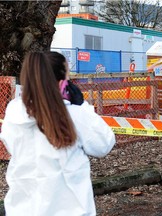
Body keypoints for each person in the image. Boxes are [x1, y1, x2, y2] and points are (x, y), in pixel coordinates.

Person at [0, 51, 116, 216]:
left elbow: (9, 143)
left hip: (22, 209)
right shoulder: (75, 115)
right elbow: (104, 144)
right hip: (71, 209)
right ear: (62, 83)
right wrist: (82, 107)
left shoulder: (13, 112)